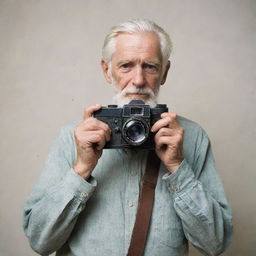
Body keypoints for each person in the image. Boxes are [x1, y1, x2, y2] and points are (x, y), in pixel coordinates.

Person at [23, 19, 232, 256]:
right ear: (106, 70)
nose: (139, 80)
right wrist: (81, 168)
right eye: (126, 66)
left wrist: (177, 167)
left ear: (164, 72)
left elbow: (215, 244)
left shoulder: (192, 138)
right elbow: (40, 241)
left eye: (150, 66)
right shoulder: (73, 138)